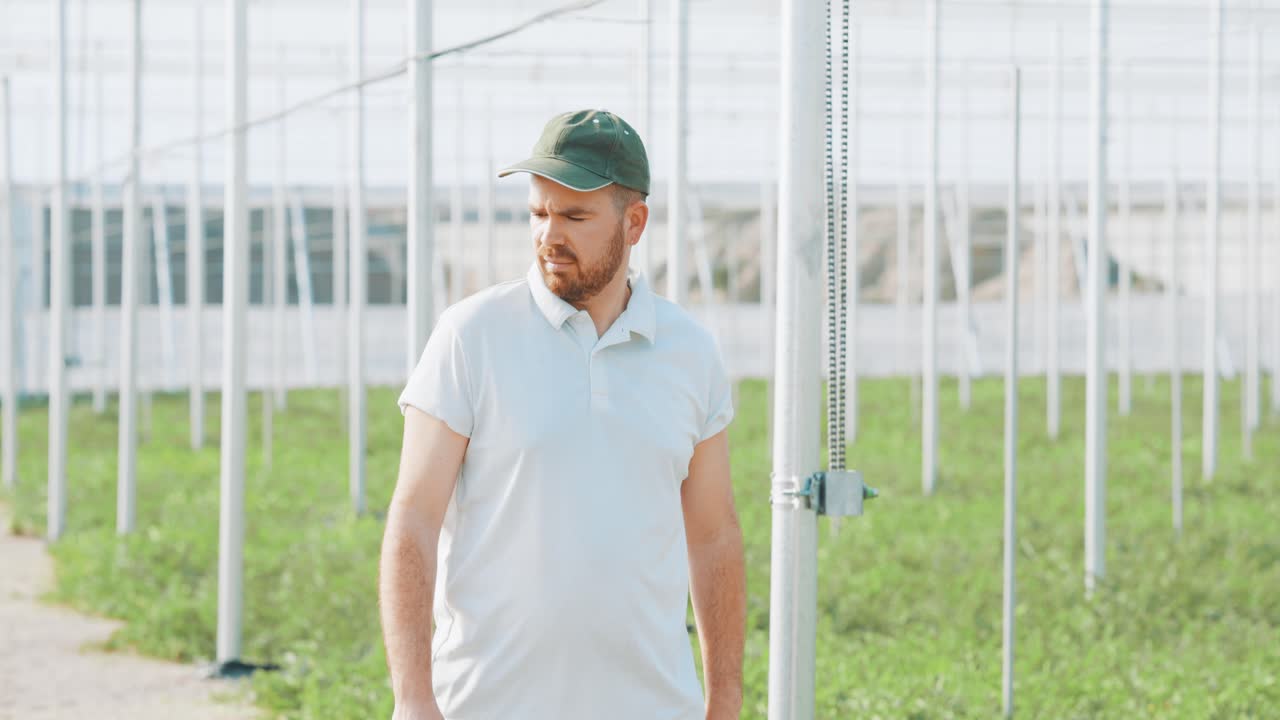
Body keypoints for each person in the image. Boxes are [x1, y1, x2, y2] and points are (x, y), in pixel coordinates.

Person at [379, 109, 745, 720]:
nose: (550, 235)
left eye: (575, 216)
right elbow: (413, 518)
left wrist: (724, 701)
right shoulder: (472, 336)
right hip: (485, 705)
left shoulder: (690, 353)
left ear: (635, 223)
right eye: (539, 213)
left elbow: (714, 537)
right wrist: (413, 698)